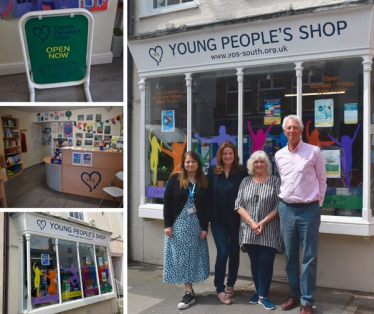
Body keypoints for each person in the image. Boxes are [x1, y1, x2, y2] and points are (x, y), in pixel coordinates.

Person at [275, 115, 327, 314]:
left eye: (295, 127)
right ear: (284, 131)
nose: (291, 131)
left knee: (309, 257)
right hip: (286, 209)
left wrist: (318, 204)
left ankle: (307, 300)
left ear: (301, 130)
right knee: (290, 257)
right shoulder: (279, 155)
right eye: (288, 128)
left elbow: (322, 181)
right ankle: (294, 294)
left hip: (309, 210)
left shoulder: (313, 151)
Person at [234, 150, 283, 310]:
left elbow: (279, 206)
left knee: (266, 262)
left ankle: (263, 296)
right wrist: (251, 222)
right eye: (256, 162)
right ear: (251, 165)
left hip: (269, 230)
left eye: (262, 161)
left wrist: (263, 221)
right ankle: (259, 291)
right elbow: (238, 205)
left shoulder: (275, 182)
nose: (259, 164)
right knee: (255, 262)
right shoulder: (245, 182)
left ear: (267, 164)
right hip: (250, 230)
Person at [163, 151, 210, 310]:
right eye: (188, 162)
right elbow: (167, 203)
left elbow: (206, 207)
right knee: (181, 258)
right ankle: (188, 291)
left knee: (193, 257)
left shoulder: (204, 181)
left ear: (198, 164)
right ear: (183, 163)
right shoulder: (175, 179)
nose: (190, 165)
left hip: (196, 225)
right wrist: (167, 224)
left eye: (193, 162)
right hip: (178, 224)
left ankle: (190, 289)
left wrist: (205, 227)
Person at [207, 141, 247, 305]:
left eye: (231, 153)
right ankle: (219, 288)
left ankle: (231, 283)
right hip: (218, 220)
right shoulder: (213, 171)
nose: (228, 156)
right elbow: (206, 193)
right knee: (223, 252)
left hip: (236, 219)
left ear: (235, 155)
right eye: (225, 154)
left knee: (234, 252)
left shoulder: (242, 172)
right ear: (220, 155)